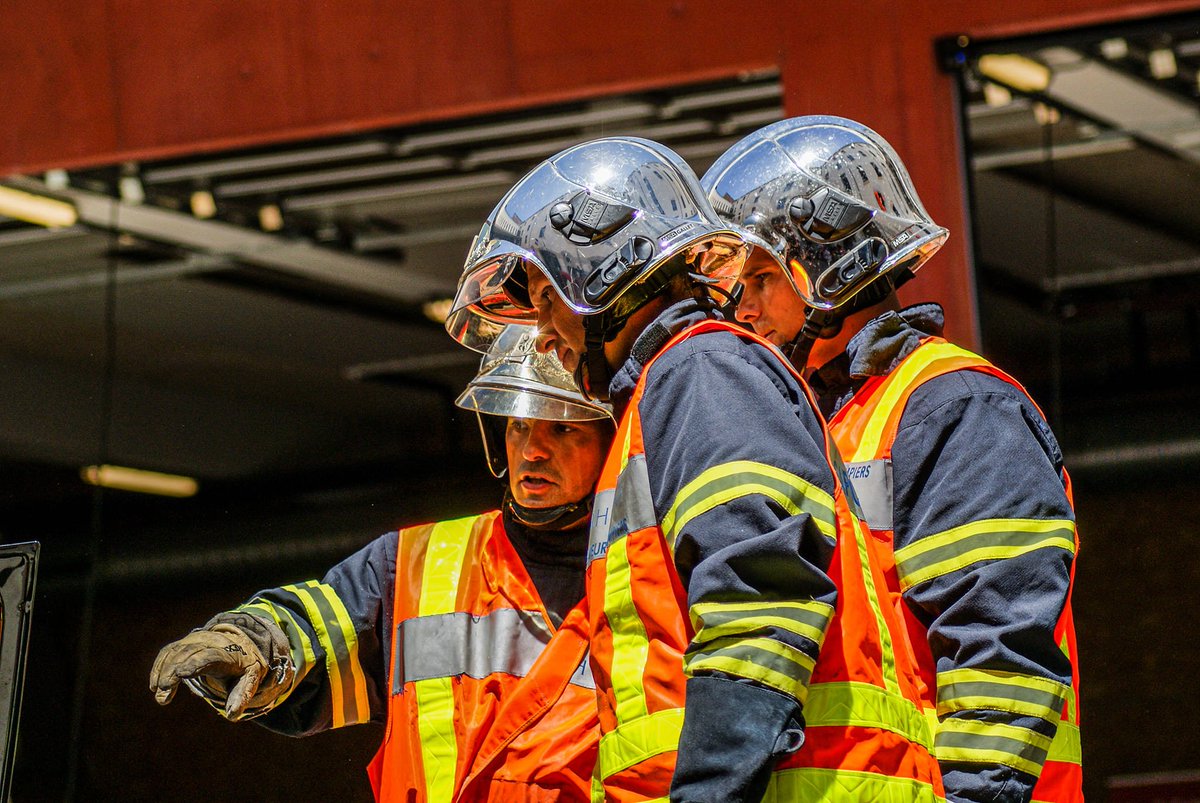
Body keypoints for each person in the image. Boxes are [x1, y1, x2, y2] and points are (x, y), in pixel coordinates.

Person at [444, 136, 943, 802]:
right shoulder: (673, 388)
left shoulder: (702, 373)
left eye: (545, 298)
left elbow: (759, 605)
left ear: (602, 274)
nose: (540, 331)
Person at [703, 115, 1082, 802]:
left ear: (835, 269)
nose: (742, 309)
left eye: (761, 278)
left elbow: (1000, 659)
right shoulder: (816, 420)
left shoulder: (956, 408)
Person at [149, 324, 614, 802]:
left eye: (562, 427)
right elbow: (317, 634)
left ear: (612, 442)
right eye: (518, 425)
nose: (532, 450)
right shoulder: (419, 563)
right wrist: (252, 643)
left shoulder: (645, 566)